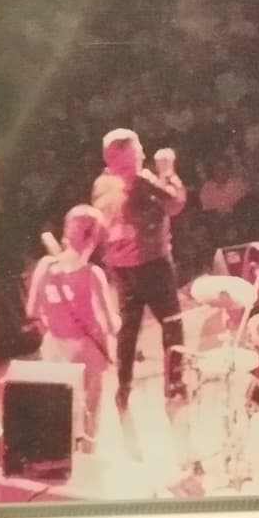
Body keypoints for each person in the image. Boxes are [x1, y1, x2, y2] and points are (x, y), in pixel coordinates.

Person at [91, 127, 188, 410]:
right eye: (137, 149)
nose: (143, 153)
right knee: (171, 323)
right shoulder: (141, 180)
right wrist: (168, 172)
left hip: (120, 267)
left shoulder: (102, 184)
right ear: (126, 154)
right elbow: (174, 203)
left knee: (128, 328)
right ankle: (174, 385)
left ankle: (123, 388)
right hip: (152, 263)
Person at [25, 205, 117, 452]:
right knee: (90, 413)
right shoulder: (92, 274)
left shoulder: (45, 266)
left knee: (62, 407)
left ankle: (63, 455)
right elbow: (109, 324)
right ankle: (87, 454)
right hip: (87, 351)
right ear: (94, 239)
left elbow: (32, 310)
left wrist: (54, 319)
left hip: (55, 347)